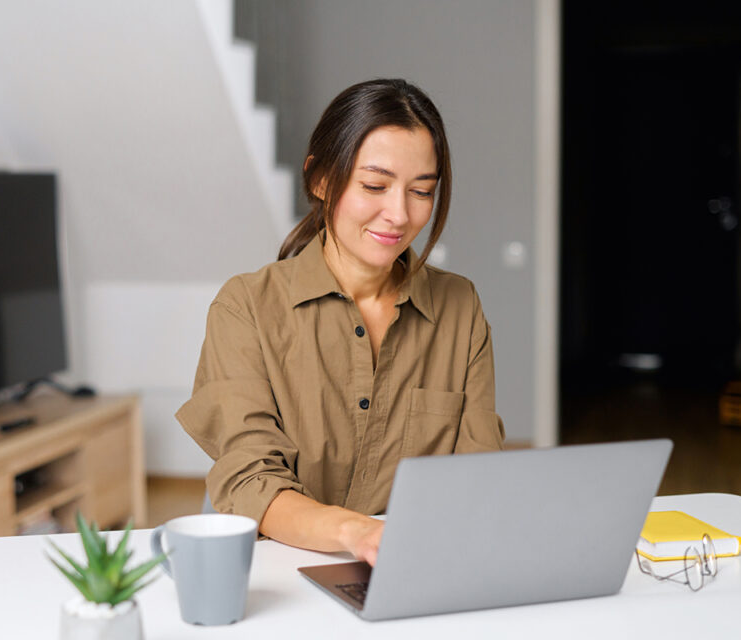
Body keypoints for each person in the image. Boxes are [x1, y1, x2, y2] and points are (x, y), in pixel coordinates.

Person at [176, 78, 504, 566]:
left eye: (421, 191)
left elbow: (478, 477)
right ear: (321, 179)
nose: (398, 214)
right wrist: (361, 535)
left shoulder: (460, 305)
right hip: (285, 567)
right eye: (374, 185)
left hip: (415, 564)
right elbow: (251, 481)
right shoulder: (245, 307)